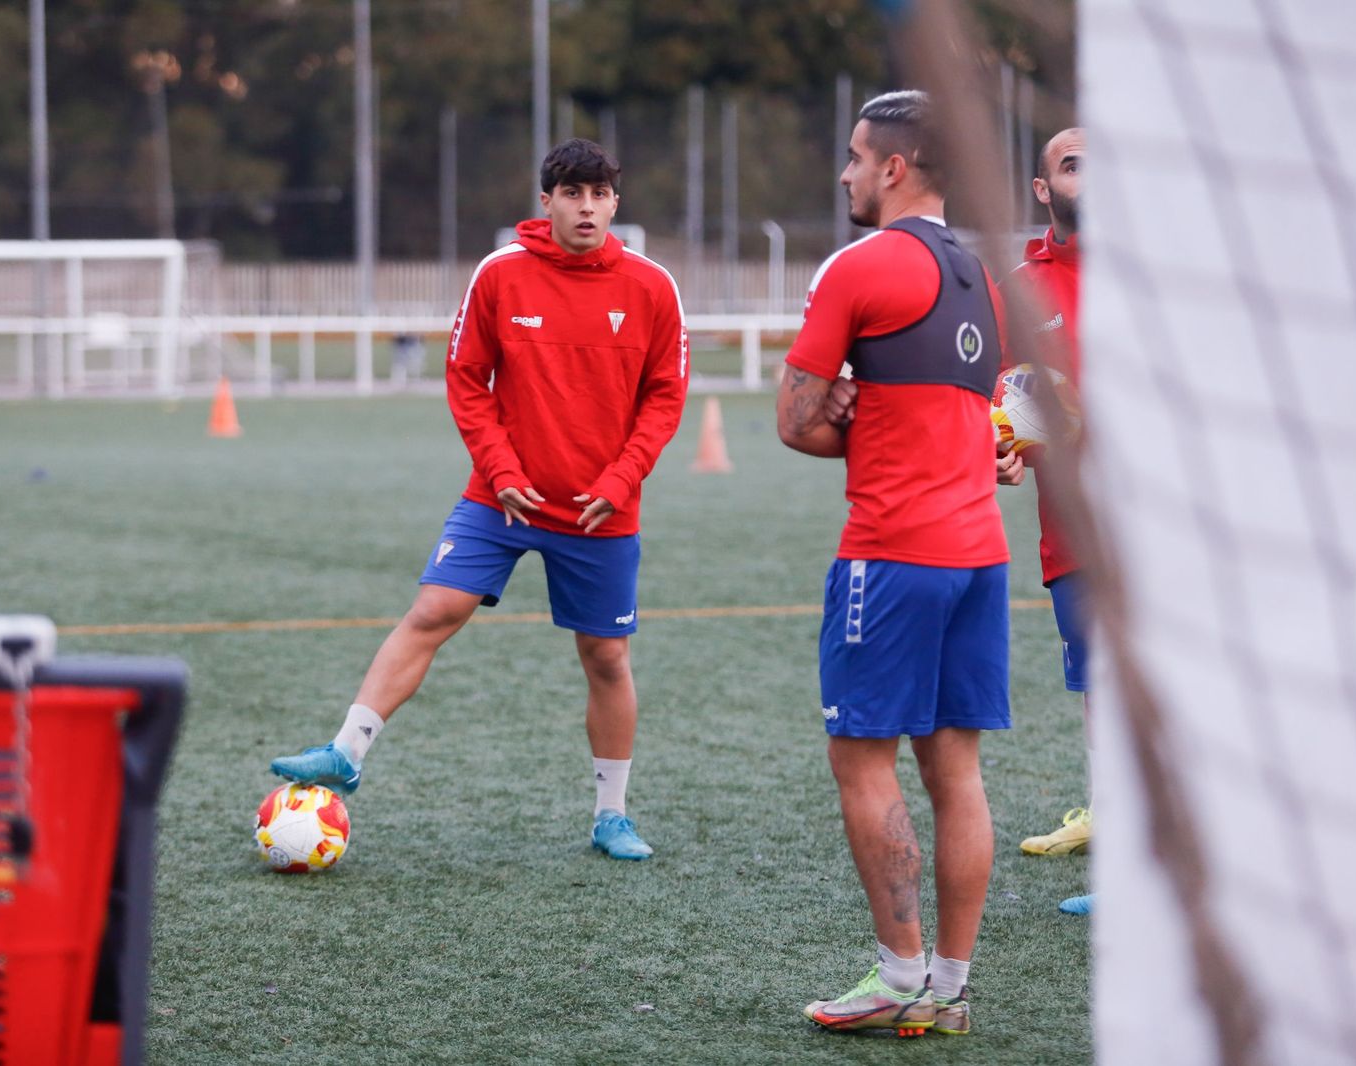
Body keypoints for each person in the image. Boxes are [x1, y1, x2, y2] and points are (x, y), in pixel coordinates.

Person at [270, 139, 689, 861]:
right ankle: (346, 751)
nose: (586, 207)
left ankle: (611, 815)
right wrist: (499, 470)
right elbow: (467, 379)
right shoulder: (500, 274)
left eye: (599, 194)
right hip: (502, 498)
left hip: (600, 509)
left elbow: (665, 397)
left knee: (606, 657)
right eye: (572, 193)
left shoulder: (652, 287)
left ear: (615, 203)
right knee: (434, 610)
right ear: (547, 201)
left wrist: (621, 481)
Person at [777, 90, 1010, 1037]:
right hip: (981, 557)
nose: (846, 174)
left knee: (862, 761)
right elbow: (988, 420)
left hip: (893, 554)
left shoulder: (861, 265)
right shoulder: (983, 277)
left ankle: (899, 975)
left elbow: (795, 422)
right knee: (958, 776)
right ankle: (948, 990)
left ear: (893, 168)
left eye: (854, 157)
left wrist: (846, 410)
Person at [1004, 127, 1094, 915]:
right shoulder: (1020, 290)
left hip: (1171, 530)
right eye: (1072, 164)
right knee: (1101, 691)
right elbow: (1006, 399)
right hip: (1075, 532)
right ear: (1043, 190)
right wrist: (1010, 445)